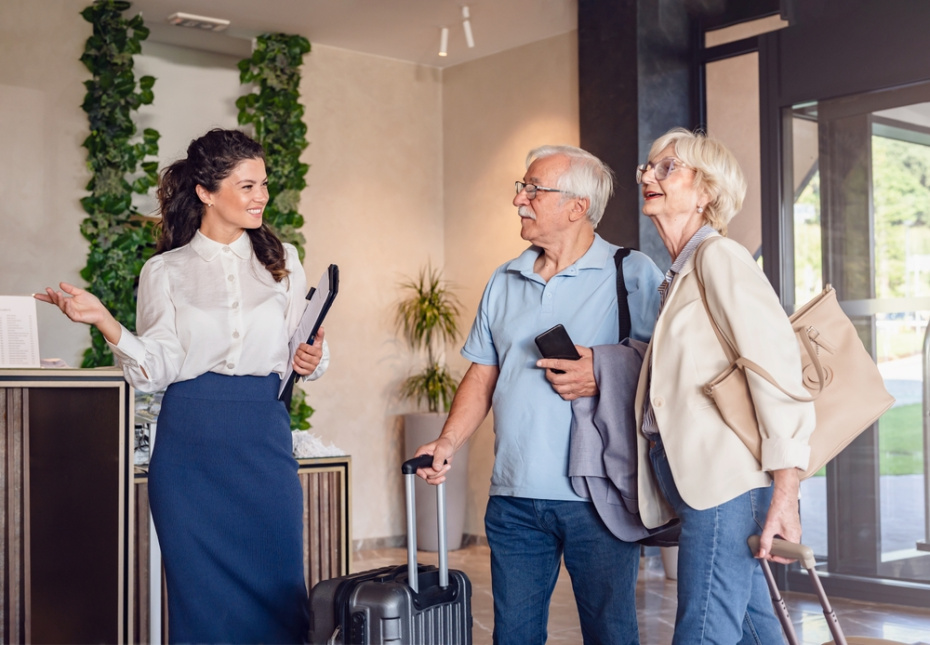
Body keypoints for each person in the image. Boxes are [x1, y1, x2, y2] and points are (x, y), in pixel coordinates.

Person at [36, 129, 329, 644]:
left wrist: (313, 356)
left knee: (282, 593)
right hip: (190, 446)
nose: (261, 195)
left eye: (263, 184)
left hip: (262, 435)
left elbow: (300, 351)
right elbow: (155, 367)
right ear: (205, 191)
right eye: (247, 185)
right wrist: (105, 321)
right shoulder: (164, 271)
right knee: (202, 607)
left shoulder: (282, 259)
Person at [415, 145, 663, 645]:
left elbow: (670, 372)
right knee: (514, 636)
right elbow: (483, 372)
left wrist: (605, 371)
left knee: (611, 634)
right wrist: (447, 442)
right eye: (521, 187)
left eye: (532, 189)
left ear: (577, 206)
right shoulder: (504, 278)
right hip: (513, 497)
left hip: (599, 495)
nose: (519, 200)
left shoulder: (631, 273)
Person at [632, 127, 815, 644]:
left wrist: (787, 489)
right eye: (649, 166)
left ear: (706, 190)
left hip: (726, 479)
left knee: (704, 629)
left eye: (668, 168)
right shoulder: (680, 271)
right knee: (757, 627)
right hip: (697, 475)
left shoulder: (720, 258)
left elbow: (775, 369)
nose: (649, 175)